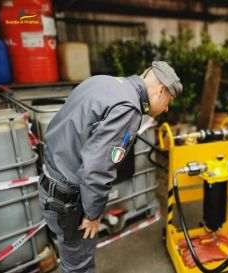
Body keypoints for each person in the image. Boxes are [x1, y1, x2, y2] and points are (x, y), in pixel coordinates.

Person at [38, 61, 182, 273]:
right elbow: (97, 170)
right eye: (168, 101)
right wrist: (93, 214)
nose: (166, 108)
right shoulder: (128, 108)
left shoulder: (102, 82)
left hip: (51, 182)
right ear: (161, 90)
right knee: (80, 266)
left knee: (71, 261)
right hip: (68, 199)